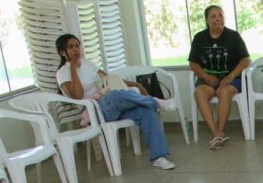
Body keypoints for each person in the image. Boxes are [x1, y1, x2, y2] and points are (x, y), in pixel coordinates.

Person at [55, 34, 177, 170]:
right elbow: (77, 96)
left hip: (112, 104)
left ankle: (158, 157)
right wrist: (73, 68)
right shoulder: (62, 72)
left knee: (145, 111)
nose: (76, 50)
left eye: (77, 46)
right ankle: (156, 102)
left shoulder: (88, 65)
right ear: (62, 52)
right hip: (93, 111)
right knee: (114, 95)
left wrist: (136, 84)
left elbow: (110, 80)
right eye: (71, 47)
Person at [188, 5, 251, 150]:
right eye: (213, 16)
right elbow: (193, 63)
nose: (218, 19)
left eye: (220, 15)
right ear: (207, 20)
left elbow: (245, 60)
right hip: (208, 79)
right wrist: (205, 76)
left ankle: (219, 131)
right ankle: (215, 132)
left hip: (230, 78)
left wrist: (230, 76)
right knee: (199, 93)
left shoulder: (233, 36)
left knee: (224, 92)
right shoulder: (199, 38)